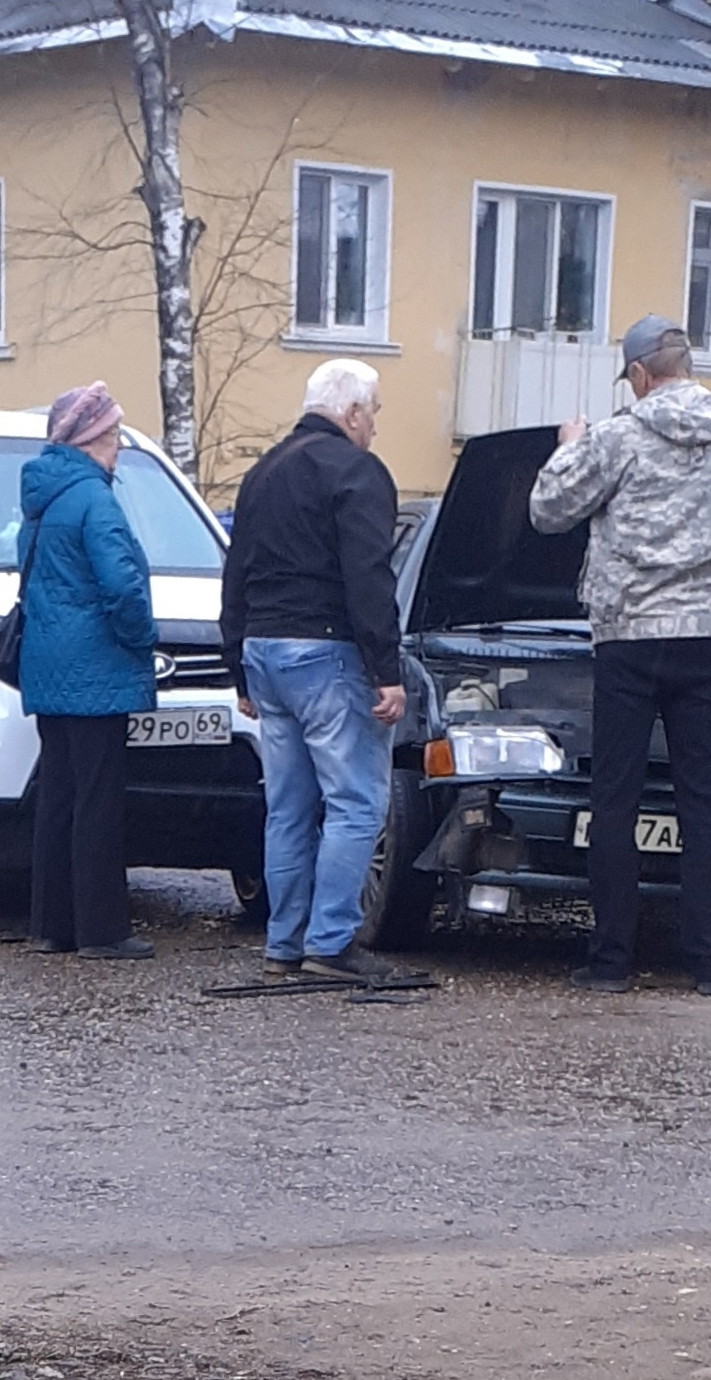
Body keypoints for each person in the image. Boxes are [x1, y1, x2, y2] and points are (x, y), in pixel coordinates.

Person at [529, 314, 711, 997]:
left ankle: (610, 961)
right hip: (706, 638)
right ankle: (708, 964)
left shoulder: (614, 437)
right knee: (704, 802)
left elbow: (547, 509)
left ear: (639, 374)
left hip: (628, 637)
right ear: (688, 364)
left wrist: (567, 446)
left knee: (615, 797)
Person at [221, 359, 406, 984]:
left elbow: (235, 571)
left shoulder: (262, 472)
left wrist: (238, 668)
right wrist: (387, 669)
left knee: (289, 808)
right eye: (374, 412)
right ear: (351, 412)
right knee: (356, 803)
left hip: (265, 653)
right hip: (327, 653)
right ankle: (331, 942)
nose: (375, 427)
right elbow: (369, 577)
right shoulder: (357, 472)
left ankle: (283, 944)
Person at [18, 382, 160, 961]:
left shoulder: (43, 497)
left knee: (58, 796)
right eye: (114, 435)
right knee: (99, 800)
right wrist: (141, 639)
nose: (119, 446)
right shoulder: (95, 499)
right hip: (95, 670)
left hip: (48, 666)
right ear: (90, 438)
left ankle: (53, 925)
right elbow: (122, 584)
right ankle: (102, 930)